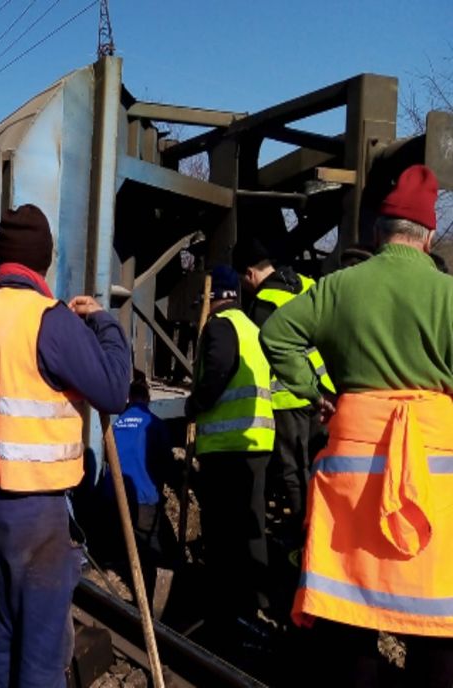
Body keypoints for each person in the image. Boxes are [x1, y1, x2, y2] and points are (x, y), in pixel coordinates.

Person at [260, 164, 453, 687]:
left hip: (352, 472)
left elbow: (276, 335)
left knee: (352, 611)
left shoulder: (340, 287)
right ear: (428, 235)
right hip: (435, 479)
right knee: (436, 614)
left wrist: (314, 392)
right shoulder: (447, 294)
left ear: (378, 231)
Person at [0, 204, 130, 688]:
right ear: (44, 260)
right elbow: (114, 389)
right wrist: (104, 323)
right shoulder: (49, 319)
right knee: (43, 655)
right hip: (36, 511)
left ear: (4, 259)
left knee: (1, 635)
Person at [185, 264, 275, 645]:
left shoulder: (220, 326)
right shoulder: (251, 328)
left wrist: (197, 403)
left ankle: (225, 611)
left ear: (213, 297)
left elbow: (220, 367)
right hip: (255, 442)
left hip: (227, 447)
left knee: (222, 534)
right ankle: (253, 605)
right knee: (248, 527)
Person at [233, 238, 331, 543]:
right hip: (323, 391)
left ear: (250, 273)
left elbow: (262, 354)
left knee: (293, 469)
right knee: (320, 463)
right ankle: (325, 526)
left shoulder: (264, 302)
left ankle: (305, 535)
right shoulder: (307, 284)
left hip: (289, 396)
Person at [101, 372, 171, 581]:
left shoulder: (115, 425)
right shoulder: (154, 424)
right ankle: (154, 585)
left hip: (112, 497)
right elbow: (165, 462)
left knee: (118, 547)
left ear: (129, 399)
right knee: (152, 550)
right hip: (142, 498)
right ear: (148, 399)